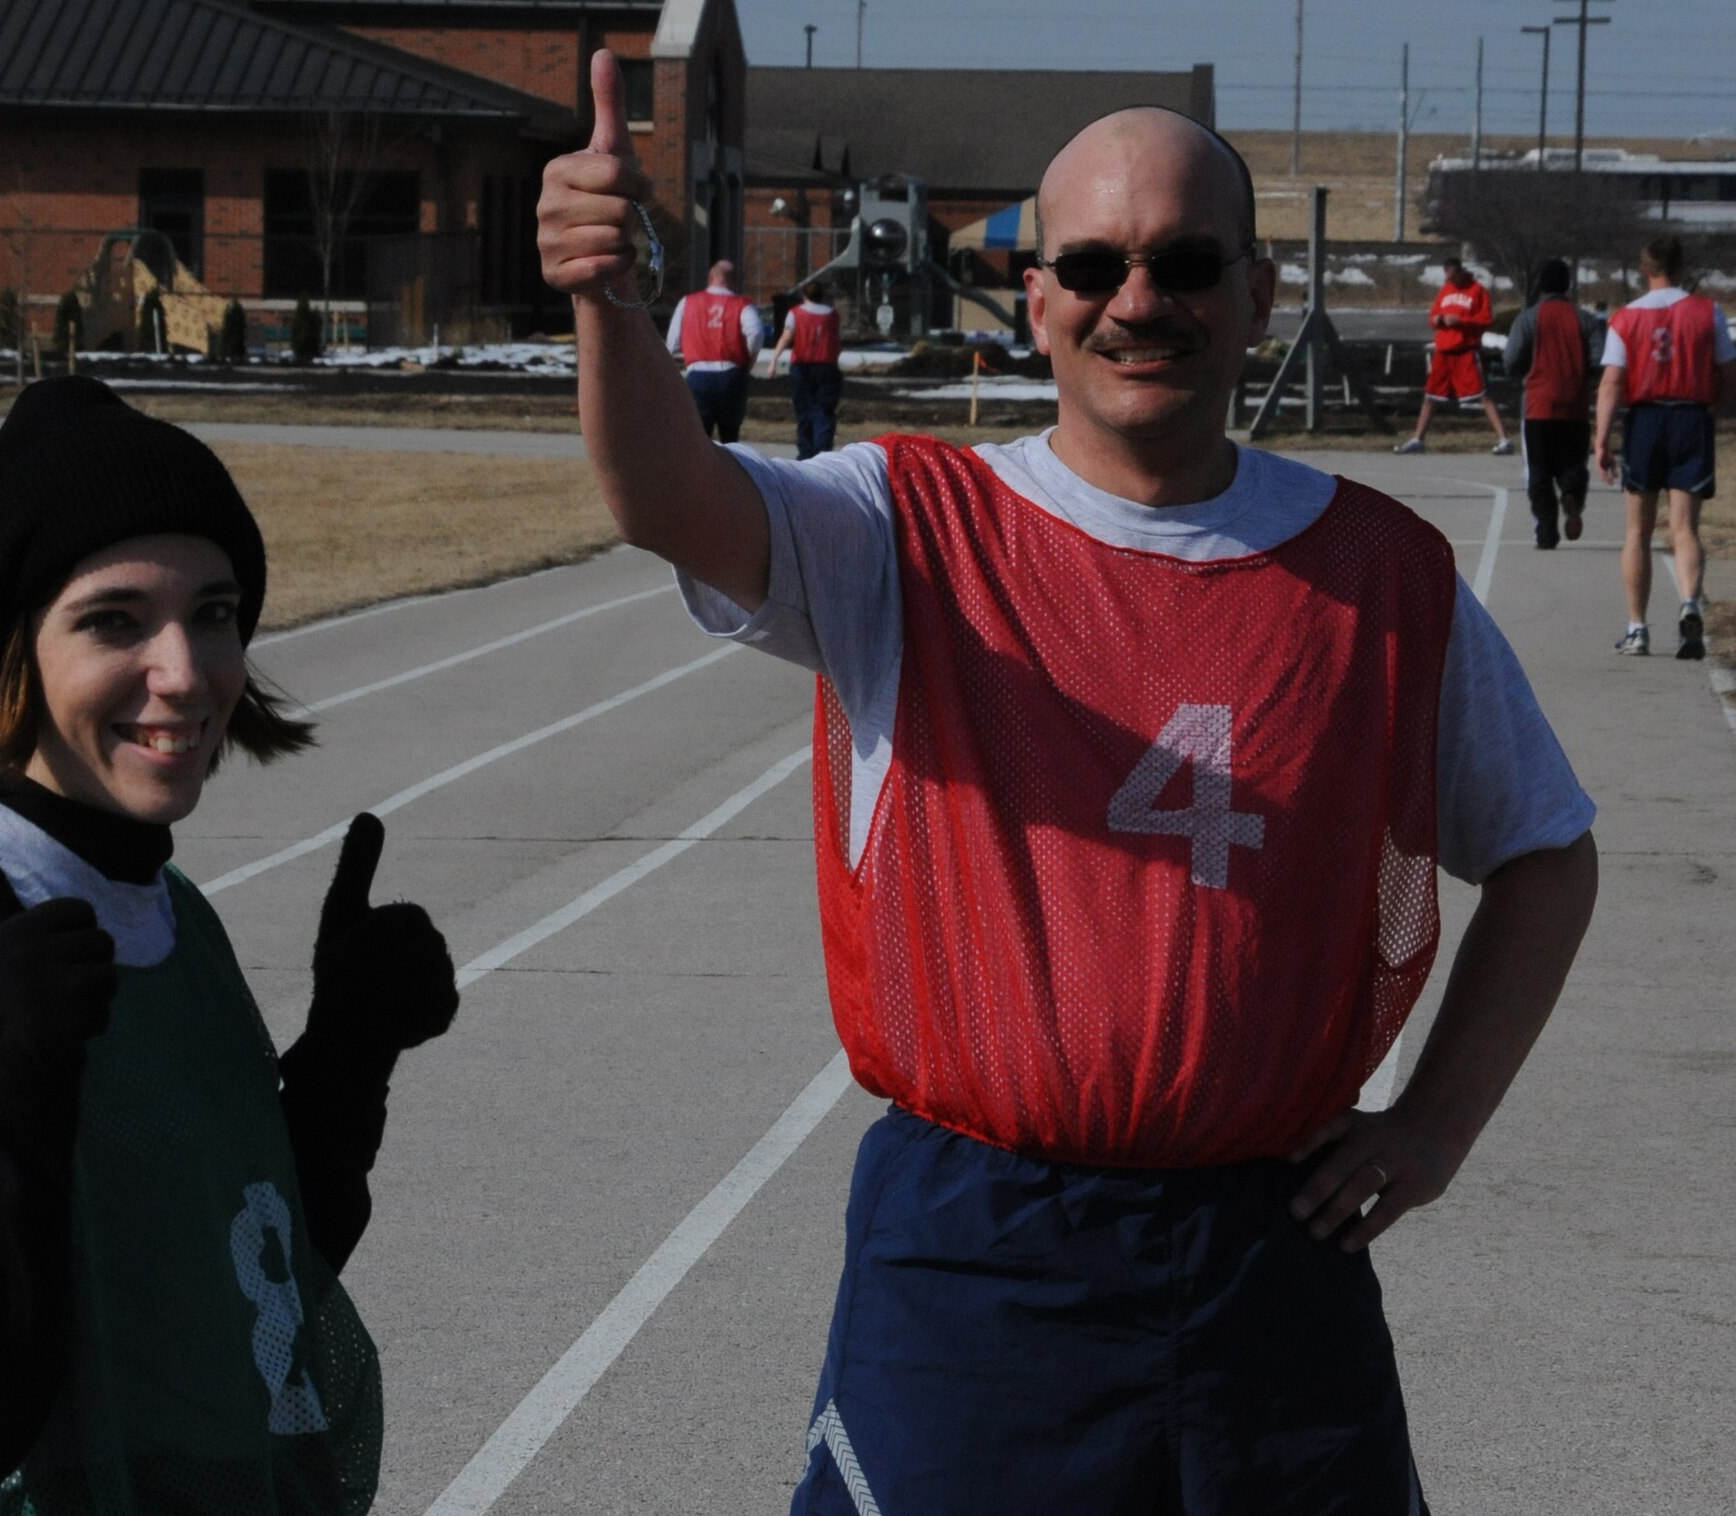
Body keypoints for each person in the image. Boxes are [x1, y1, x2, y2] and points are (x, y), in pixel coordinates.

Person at [543, 51, 1599, 1514]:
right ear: (1036, 298)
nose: (1137, 300)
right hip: (978, 1253)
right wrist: (605, 299)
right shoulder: (901, 526)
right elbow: (671, 498)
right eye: (1093, 264)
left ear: (1258, 295)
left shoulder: (1385, 577)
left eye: (1184, 262)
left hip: (1272, 1251)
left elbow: (1547, 854)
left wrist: (1435, 1127)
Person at [0, 376, 459, 1515]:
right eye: (112, 620)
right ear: (14, 653)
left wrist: (347, 1053)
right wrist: (21, 1087)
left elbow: (249, 1298)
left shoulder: (164, 907)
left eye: (214, 609)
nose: (185, 672)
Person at [1593, 234, 1734, 659]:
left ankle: (1637, 627)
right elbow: (1729, 371)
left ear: (1644, 268)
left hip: (1647, 420)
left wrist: (1601, 439)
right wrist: (1715, 407)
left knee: (1637, 530)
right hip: (1691, 416)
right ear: (1682, 267)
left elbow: (1612, 381)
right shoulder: (1708, 313)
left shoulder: (1626, 318)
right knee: (1685, 527)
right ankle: (1690, 602)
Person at [1500, 257, 1607, 548]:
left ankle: (1546, 531)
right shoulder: (1584, 319)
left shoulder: (1529, 318)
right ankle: (1571, 491)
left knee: (1538, 470)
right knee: (1573, 463)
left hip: (1537, 405)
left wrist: (1522, 371)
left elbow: (1510, 359)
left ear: (1540, 285)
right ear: (1567, 285)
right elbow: (1601, 358)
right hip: (1574, 405)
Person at [1396, 257, 1515, 456]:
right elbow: (1434, 317)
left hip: (1465, 350)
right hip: (1444, 351)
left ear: (1459, 271)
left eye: (1452, 274)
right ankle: (1418, 438)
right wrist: (1441, 319)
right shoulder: (1446, 290)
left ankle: (1504, 439)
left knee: (1482, 394)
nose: (1450, 279)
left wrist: (1461, 321)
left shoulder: (1477, 291)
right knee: (1431, 395)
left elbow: (1486, 319)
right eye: (1447, 275)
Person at [666, 258, 765, 442]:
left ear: (711, 277)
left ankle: (699, 470)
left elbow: (672, 343)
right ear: (733, 280)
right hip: (731, 374)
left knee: (699, 438)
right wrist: (749, 360)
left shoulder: (688, 302)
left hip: (698, 375)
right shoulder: (742, 304)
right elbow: (756, 334)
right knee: (730, 437)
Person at [767, 279, 845, 459]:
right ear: (822, 295)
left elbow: (786, 337)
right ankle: (823, 450)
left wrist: (774, 360)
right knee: (824, 410)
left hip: (802, 366)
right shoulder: (832, 314)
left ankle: (805, 452)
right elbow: (838, 340)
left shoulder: (795, 313)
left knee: (804, 410)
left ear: (804, 295)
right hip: (827, 366)